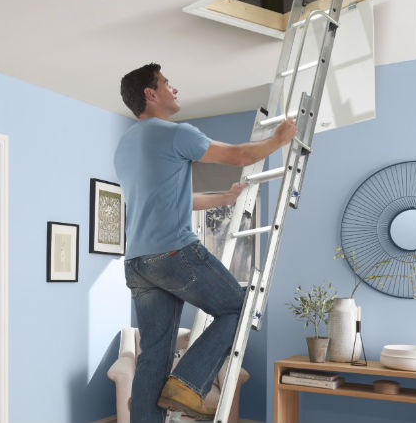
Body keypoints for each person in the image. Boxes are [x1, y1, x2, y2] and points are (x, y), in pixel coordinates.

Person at [114, 63, 296, 422]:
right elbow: (239, 157)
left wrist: (224, 199)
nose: (174, 89)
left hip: (138, 262)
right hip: (173, 252)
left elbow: (168, 199)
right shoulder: (174, 133)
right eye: (167, 84)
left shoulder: (125, 146)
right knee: (241, 309)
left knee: (153, 354)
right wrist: (279, 139)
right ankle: (187, 382)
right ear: (150, 94)